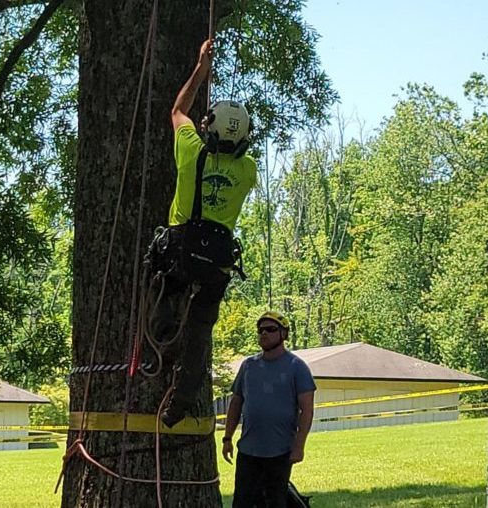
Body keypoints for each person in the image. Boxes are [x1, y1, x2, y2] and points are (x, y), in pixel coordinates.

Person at [151, 38, 257, 427]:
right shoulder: (248, 171)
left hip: (180, 251)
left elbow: (178, 109)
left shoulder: (191, 150)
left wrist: (201, 68)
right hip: (216, 261)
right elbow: (235, 150)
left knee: (167, 289)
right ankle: (184, 396)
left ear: (207, 129)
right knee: (201, 329)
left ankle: (159, 349)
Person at [222, 311, 316, 508]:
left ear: (284, 334)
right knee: (242, 502)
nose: (264, 334)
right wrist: (227, 438)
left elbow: (306, 410)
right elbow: (236, 402)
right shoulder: (248, 366)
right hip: (248, 450)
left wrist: (299, 446)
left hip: (280, 451)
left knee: (275, 502)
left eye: (271, 329)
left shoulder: (297, 367)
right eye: (260, 330)